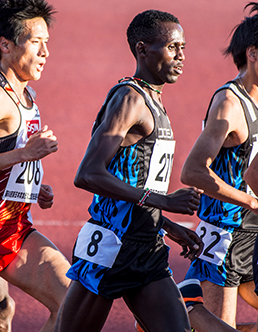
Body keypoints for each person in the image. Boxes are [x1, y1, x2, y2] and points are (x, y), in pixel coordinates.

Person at [55, 9, 204, 332]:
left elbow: (131, 180)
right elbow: (88, 174)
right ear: (142, 49)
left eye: (183, 48)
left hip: (146, 246)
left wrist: (166, 224)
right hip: (112, 246)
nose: (181, 56)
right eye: (172, 47)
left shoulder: (154, 100)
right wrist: (162, 202)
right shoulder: (129, 99)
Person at [180, 2, 258, 331]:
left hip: (255, 233)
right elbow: (193, 172)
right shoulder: (230, 102)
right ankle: (185, 306)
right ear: (253, 53)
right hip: (224, 236)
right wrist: (250, 200)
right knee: (216, 327)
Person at [0, 0, 71, 331]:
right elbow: (20, 152)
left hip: (12, 226)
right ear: (6, 45)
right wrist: (24, 155)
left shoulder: (27, 97)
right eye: (35, 42)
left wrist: (30, 185)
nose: (45, 52)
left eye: (48, 43)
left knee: (70, 301)